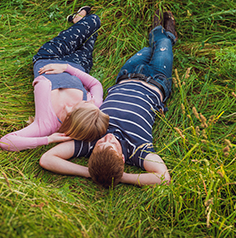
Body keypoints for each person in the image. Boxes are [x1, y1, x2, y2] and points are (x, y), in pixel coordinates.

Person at [39, 10, 177, 187]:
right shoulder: (138, 152)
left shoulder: (90, 142)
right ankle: (166, 34)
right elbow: (163, 178)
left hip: (126, 75)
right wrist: (122, 177)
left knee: (147, 50)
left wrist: (89, 173)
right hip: (157, 80)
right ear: (121, 157)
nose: (107, 138)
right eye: (109, 144)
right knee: (163, 43)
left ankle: (158, 34)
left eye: (100, 144)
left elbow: (47, 159)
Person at [0, 6, 110, 152]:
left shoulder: (46, 123)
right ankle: (78, 21)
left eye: (85, 103)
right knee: (94, 23)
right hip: (77, 64)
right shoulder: (92, 110)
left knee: (90, 34)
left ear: (71, 114)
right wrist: (66, 68)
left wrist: (48, 139)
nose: (92, 101)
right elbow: (95, 84)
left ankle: (78, 21)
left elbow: (6, 141)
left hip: (48, 57)